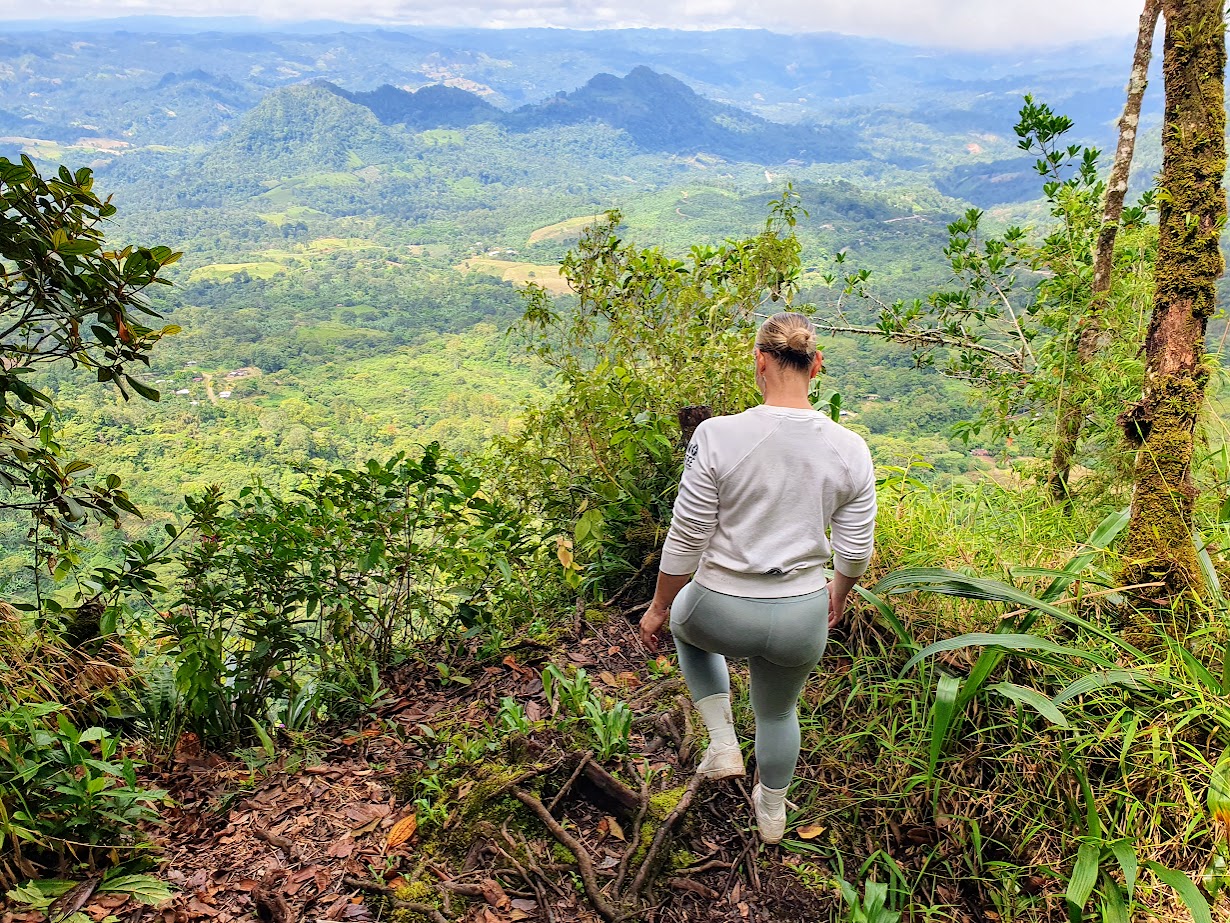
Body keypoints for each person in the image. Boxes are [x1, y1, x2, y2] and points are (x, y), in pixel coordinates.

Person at [638, 311, 877, 844]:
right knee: (778, 712)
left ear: (760, 361)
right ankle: (772, 814)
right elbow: (856, 549)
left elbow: (688, 534)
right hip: (801, 613)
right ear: (816, 364)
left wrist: (658, 606)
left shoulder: (718, 434)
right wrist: (838, 595)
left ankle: (723, 743)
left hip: (720, 607)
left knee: (683, 625)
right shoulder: (851, 447)